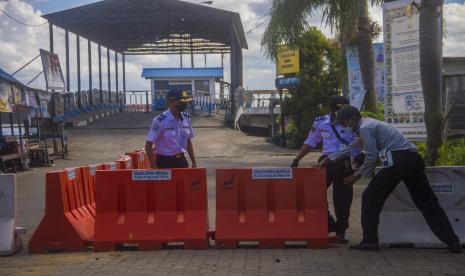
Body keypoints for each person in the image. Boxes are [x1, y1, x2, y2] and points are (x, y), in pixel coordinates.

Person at [319, 106, 462, 253]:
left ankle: (369, 241)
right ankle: (453, 241)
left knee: (370, 197)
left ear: (353, 119)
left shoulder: (365, 128)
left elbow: (372, 154)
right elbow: (352, 146)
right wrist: (329, 159)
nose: (342, 126)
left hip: (398, 160)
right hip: (412, 159)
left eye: (343, 122)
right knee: (427, 203)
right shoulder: (368, 124)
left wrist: (356, 175)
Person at [290, 96, 363, 242]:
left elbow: (359, 144)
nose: (341, 113)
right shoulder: (320, 122)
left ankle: (340, 231)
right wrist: (297, 159)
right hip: (325, 161)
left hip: (346, 162)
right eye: (337, 110)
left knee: (342, 198)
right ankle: (328, 224)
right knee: (313, 194)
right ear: (331, 110)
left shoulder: (353, 121)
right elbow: (311, 142)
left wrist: (358, 165)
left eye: (343, 109)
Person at [145, 90, 197, 169]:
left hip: (182, 162)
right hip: (164, 163)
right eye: (181, 101)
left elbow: (188, 141)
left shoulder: (186, 118)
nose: (185, 104)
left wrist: (194, 162)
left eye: (185, 101)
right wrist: (154, 166)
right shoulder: (159, 121)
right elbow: (148, 146)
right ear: (171, 102)